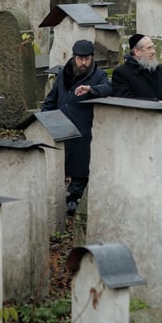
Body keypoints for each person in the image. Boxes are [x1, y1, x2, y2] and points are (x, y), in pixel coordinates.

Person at [42, 39, 111, 215]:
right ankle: (60, 193)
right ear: (74, 58)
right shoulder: (63, 73)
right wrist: (44, 118)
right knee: (60, 160)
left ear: (92, 58)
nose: (83, 63)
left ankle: (75, 195)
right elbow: (52, 98)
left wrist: (91, 89)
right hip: (60, 123)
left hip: (83, 126)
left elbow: (108, 88)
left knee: (80, 163)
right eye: (80, 59)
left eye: (87, 59)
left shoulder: (98, 75)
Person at [111, 33, 162, 101]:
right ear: (137, 52)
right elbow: (125, 100)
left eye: (153, 47)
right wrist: (156, 103)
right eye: (149, 48)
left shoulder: (159, 69)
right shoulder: (121, 73)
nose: (153, 51)